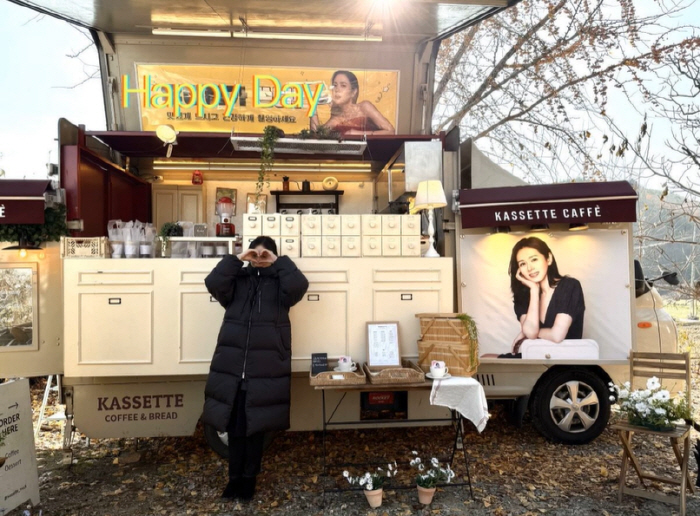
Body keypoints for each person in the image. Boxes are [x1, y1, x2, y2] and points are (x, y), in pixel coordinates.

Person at [202, 236, 309, 501]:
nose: (260, 259)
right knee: (235, 429)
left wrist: (278, 261)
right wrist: (238, 259)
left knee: (255, 430)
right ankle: (233, 480)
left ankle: (249, 481)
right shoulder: (237, 281)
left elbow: (300, 286)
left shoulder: (281, 286)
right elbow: (212, 283)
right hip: (233, 367)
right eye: (256, 254)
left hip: (265, 368)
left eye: (265, 254)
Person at [500, 236, 585, 358]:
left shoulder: (569, 286)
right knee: (485, 359)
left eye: (534, 259)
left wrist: (526, 333)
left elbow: (557, 335)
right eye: (523, 264)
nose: (530, 268)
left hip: (564, 360)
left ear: (548, 259)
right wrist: (534, 290)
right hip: (536, 357)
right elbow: (530, 332)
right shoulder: (523, 296)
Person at [310, 70, 395, 136]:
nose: (337, 90)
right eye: (335, 85)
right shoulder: (336, 119)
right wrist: (312, 106)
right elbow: (316, 136)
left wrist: (359, 134)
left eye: (343, 85)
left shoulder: (364, 107)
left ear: (353, 92)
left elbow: (390, 131)